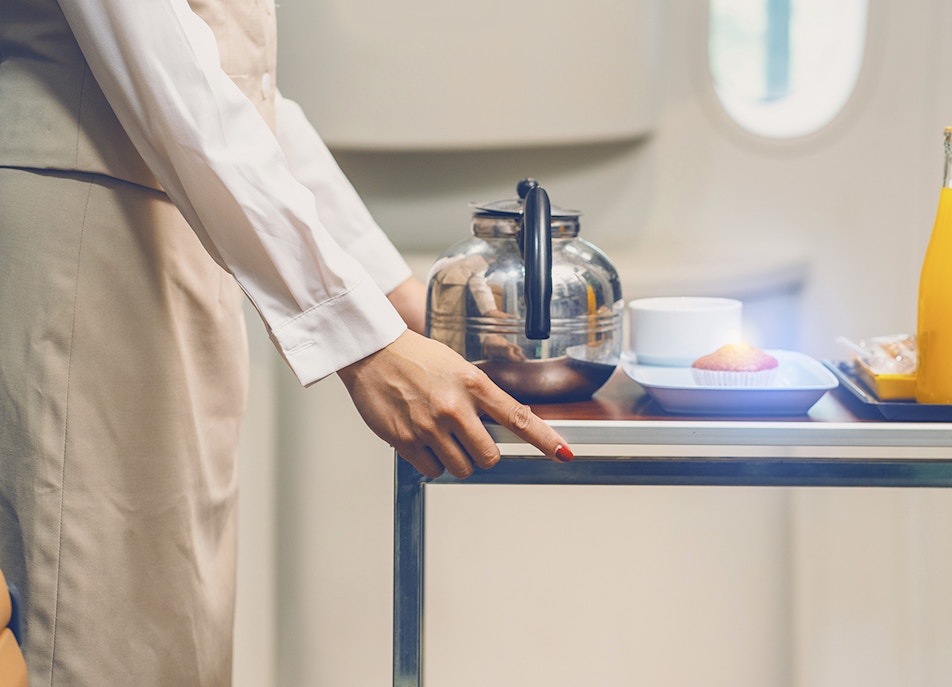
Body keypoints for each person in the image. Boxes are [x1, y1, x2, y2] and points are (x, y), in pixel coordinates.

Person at [0, 0, 573, 685]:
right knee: (93, 634)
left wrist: (404, 303)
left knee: (168, 633)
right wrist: (364, 342)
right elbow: (164, 69)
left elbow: (242, 91)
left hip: (172, 227)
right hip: (86, 236)